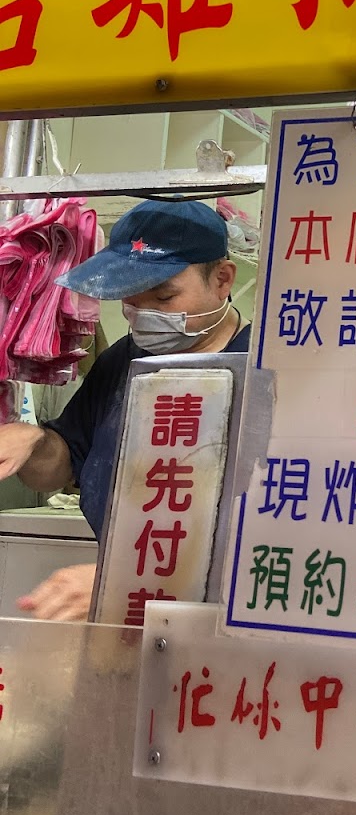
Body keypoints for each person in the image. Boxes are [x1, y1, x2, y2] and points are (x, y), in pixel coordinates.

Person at [0, 199, 250, 622]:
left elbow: (283, 543)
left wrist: (125, 580)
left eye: (164, 297)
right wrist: (36, 442)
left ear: (222, 279)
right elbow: (61, 468)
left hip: (223, 628)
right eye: (130, 302)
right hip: (128, 617)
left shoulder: (266, 370)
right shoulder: (124, 360)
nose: (144, 316)